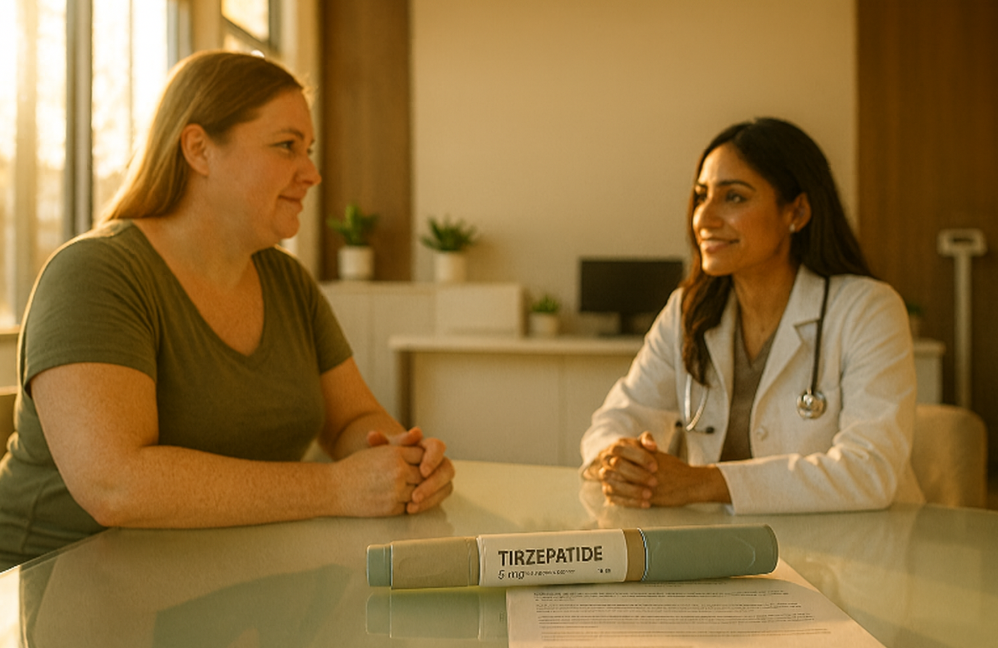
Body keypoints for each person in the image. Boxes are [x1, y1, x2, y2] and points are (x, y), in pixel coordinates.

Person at [0, 50, 454, 570]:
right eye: (287, 146)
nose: (312, 174)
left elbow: (352, 417)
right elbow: (116, 485)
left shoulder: (287, 282)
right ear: (199, 150)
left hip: (216, 578)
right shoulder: (94, 274)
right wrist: (334, 486)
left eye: (308, 149)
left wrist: (397, 455)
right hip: (51, 592)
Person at [581, 117, 924, 515]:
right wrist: (618, 459)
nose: (704, 219)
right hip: (725, 553)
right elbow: (619, 416)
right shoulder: (690, 309)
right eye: (701, 195)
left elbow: (869, 471)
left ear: (796, 212)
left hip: (856, 554)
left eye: (735, 197)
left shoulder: (867, 310)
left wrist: (704, 481)